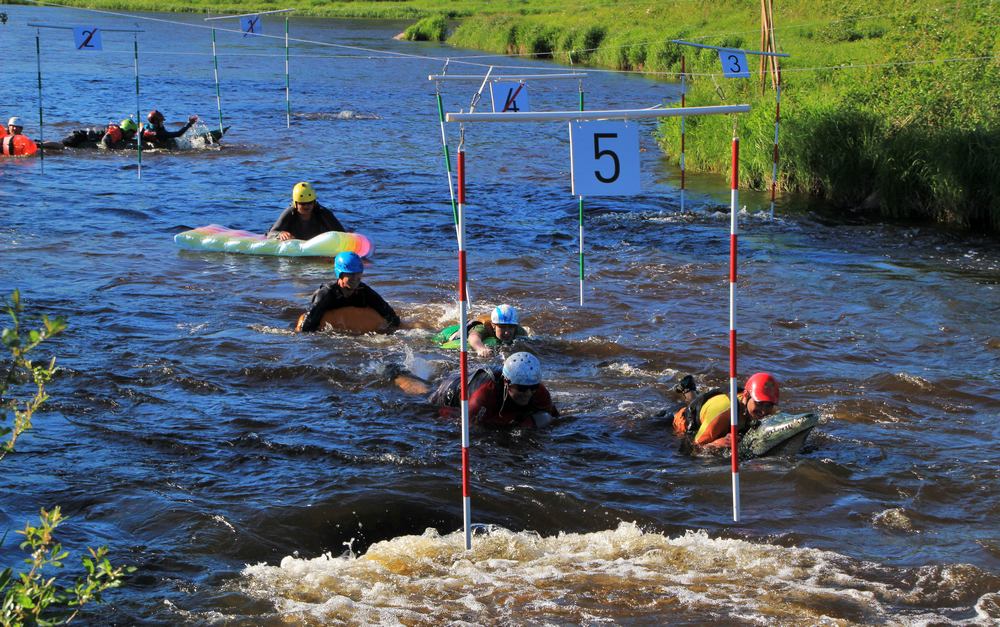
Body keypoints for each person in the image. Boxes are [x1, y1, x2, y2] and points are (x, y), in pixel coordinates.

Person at [428, 352, 559, 429]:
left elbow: (553, 416)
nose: (529, 393)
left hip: (480, 383)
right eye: (522, 389)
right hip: (452, 388)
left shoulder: (539, 392)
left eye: (533, 388)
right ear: (507, 383)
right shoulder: (484, 395)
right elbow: (464, 425)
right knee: (425, 393)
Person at [671, 372, 780, 453]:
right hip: (684, 421)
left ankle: (689, 389)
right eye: (759, 403)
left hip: (710, 409)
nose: (764, 411)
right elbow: (695, 446)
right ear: (746, 396)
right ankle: (687, 389)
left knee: (697, 402)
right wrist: (718, 443)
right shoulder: (723, 413)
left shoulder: (768, 409)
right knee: (688, 410)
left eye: (768, 405)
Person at [298, 251, 400, 333]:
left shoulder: (364, 292)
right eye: (351, 275)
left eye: (358, 274)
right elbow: (308, 324)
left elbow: (389, 314)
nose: (355, 278)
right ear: (340, 275)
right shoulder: (326, 294)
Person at [438, 304, 529, 357]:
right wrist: (481, 348)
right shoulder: (484, 327)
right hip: (453, 334)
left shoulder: (518, 330)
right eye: (502, 327)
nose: (507, 332)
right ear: (493, 325)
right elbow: (473, 337)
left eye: (510, 327)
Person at [268, 182, 347, 241]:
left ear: (314, 202)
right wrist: (280, 234)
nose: (307, 206)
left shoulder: (323, 213)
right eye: (302, 204)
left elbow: (342, 234)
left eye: (310, 203)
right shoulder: (289, 213)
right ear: (295, 204)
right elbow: (271, 233)